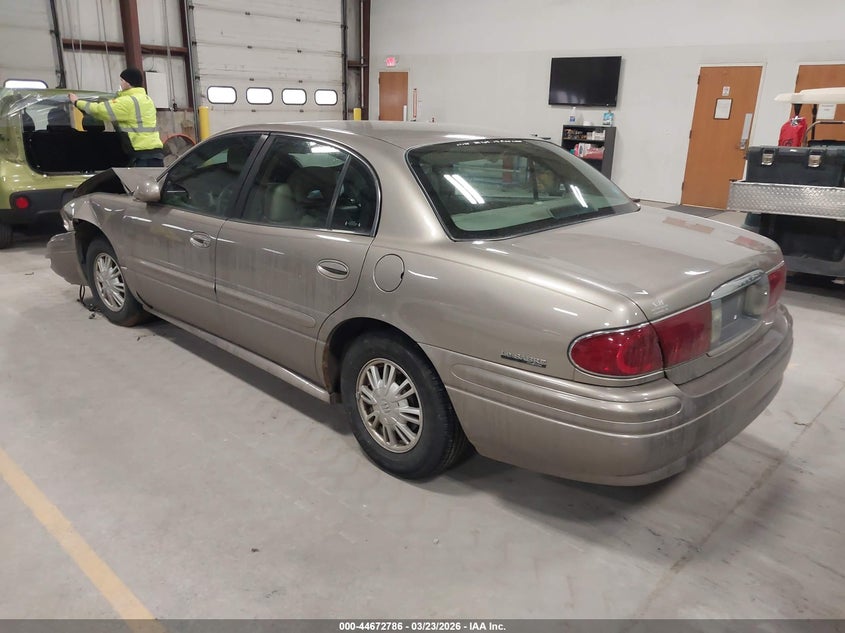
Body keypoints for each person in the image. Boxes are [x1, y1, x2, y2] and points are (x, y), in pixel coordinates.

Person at [68, 68, 164, 167]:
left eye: (122, 80)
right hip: (156, 155)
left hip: (141, 156)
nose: (121, 83)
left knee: (138, 183)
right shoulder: (147, 99)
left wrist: (77, 102)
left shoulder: (127, 101)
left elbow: (99, 110)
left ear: (128, 83)